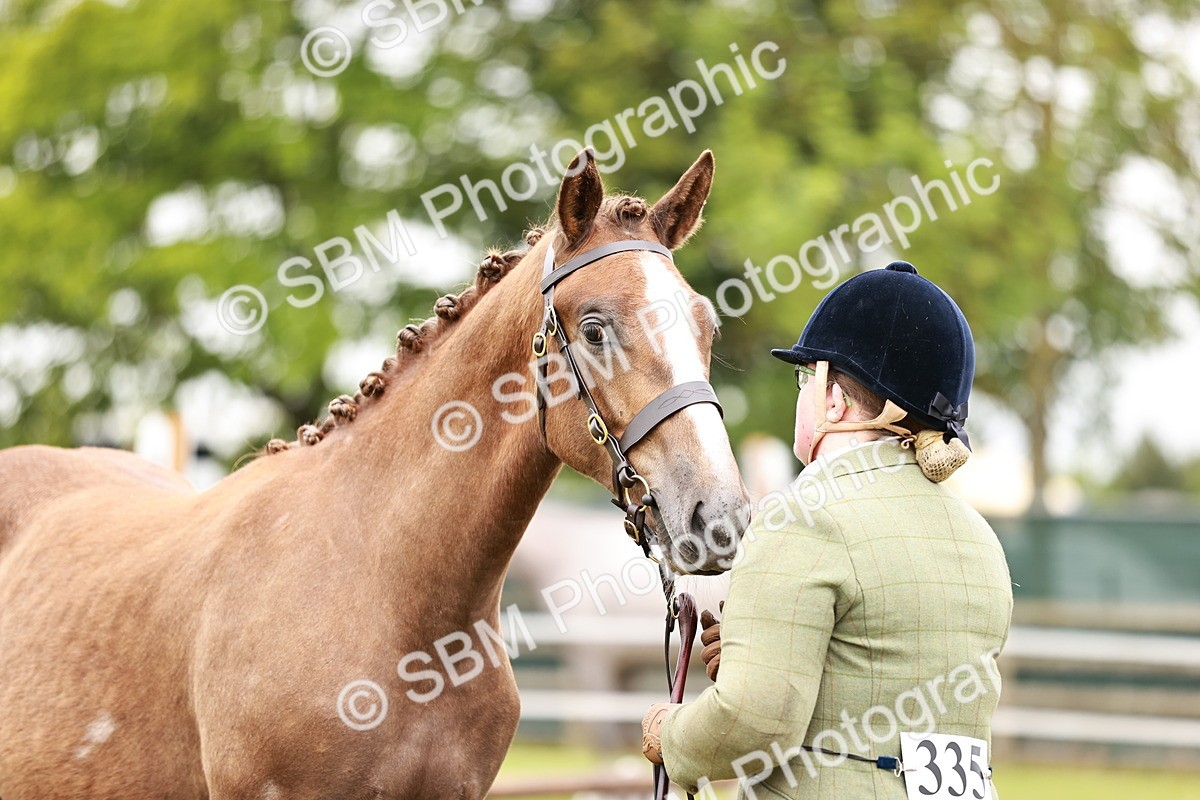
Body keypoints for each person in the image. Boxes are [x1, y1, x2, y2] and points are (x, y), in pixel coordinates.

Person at [641, 261, 1013, 799]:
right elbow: (880, 699)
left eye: (804, 380)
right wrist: (760, 653)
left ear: (833, 400)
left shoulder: (803, 519)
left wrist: (670, 733)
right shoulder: (979, 539)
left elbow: (754, 724)